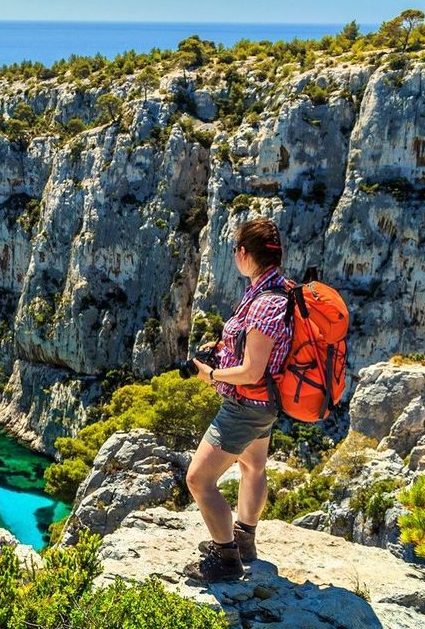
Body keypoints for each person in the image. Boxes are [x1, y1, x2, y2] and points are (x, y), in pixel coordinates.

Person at [183, 217, 293, 583]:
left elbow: (251, 371)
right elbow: (253, 348)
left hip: (245, 406)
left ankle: (225, 558)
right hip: (263, 406)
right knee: (253, 467)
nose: (233, 256)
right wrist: (222, 348)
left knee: (199, 479)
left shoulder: (266, 303)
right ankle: (244, 539)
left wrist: (210, 374)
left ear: (244, 253)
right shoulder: (274, 289)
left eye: (235, 250)